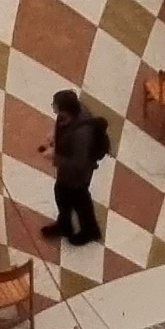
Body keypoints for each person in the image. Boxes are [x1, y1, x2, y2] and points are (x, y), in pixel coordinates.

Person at [46, 88, 109, 249]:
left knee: (79, 200)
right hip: (68, 171)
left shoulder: (82, 134)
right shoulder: (71, 113)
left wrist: (54, 157)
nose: (53, 108)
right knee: (62, 194)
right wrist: (54, 134)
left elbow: (79, 163)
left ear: (65, 110)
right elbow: (62, 124)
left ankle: (90, 231)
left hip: (79, 175)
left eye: (55, 105)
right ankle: (65, 225)